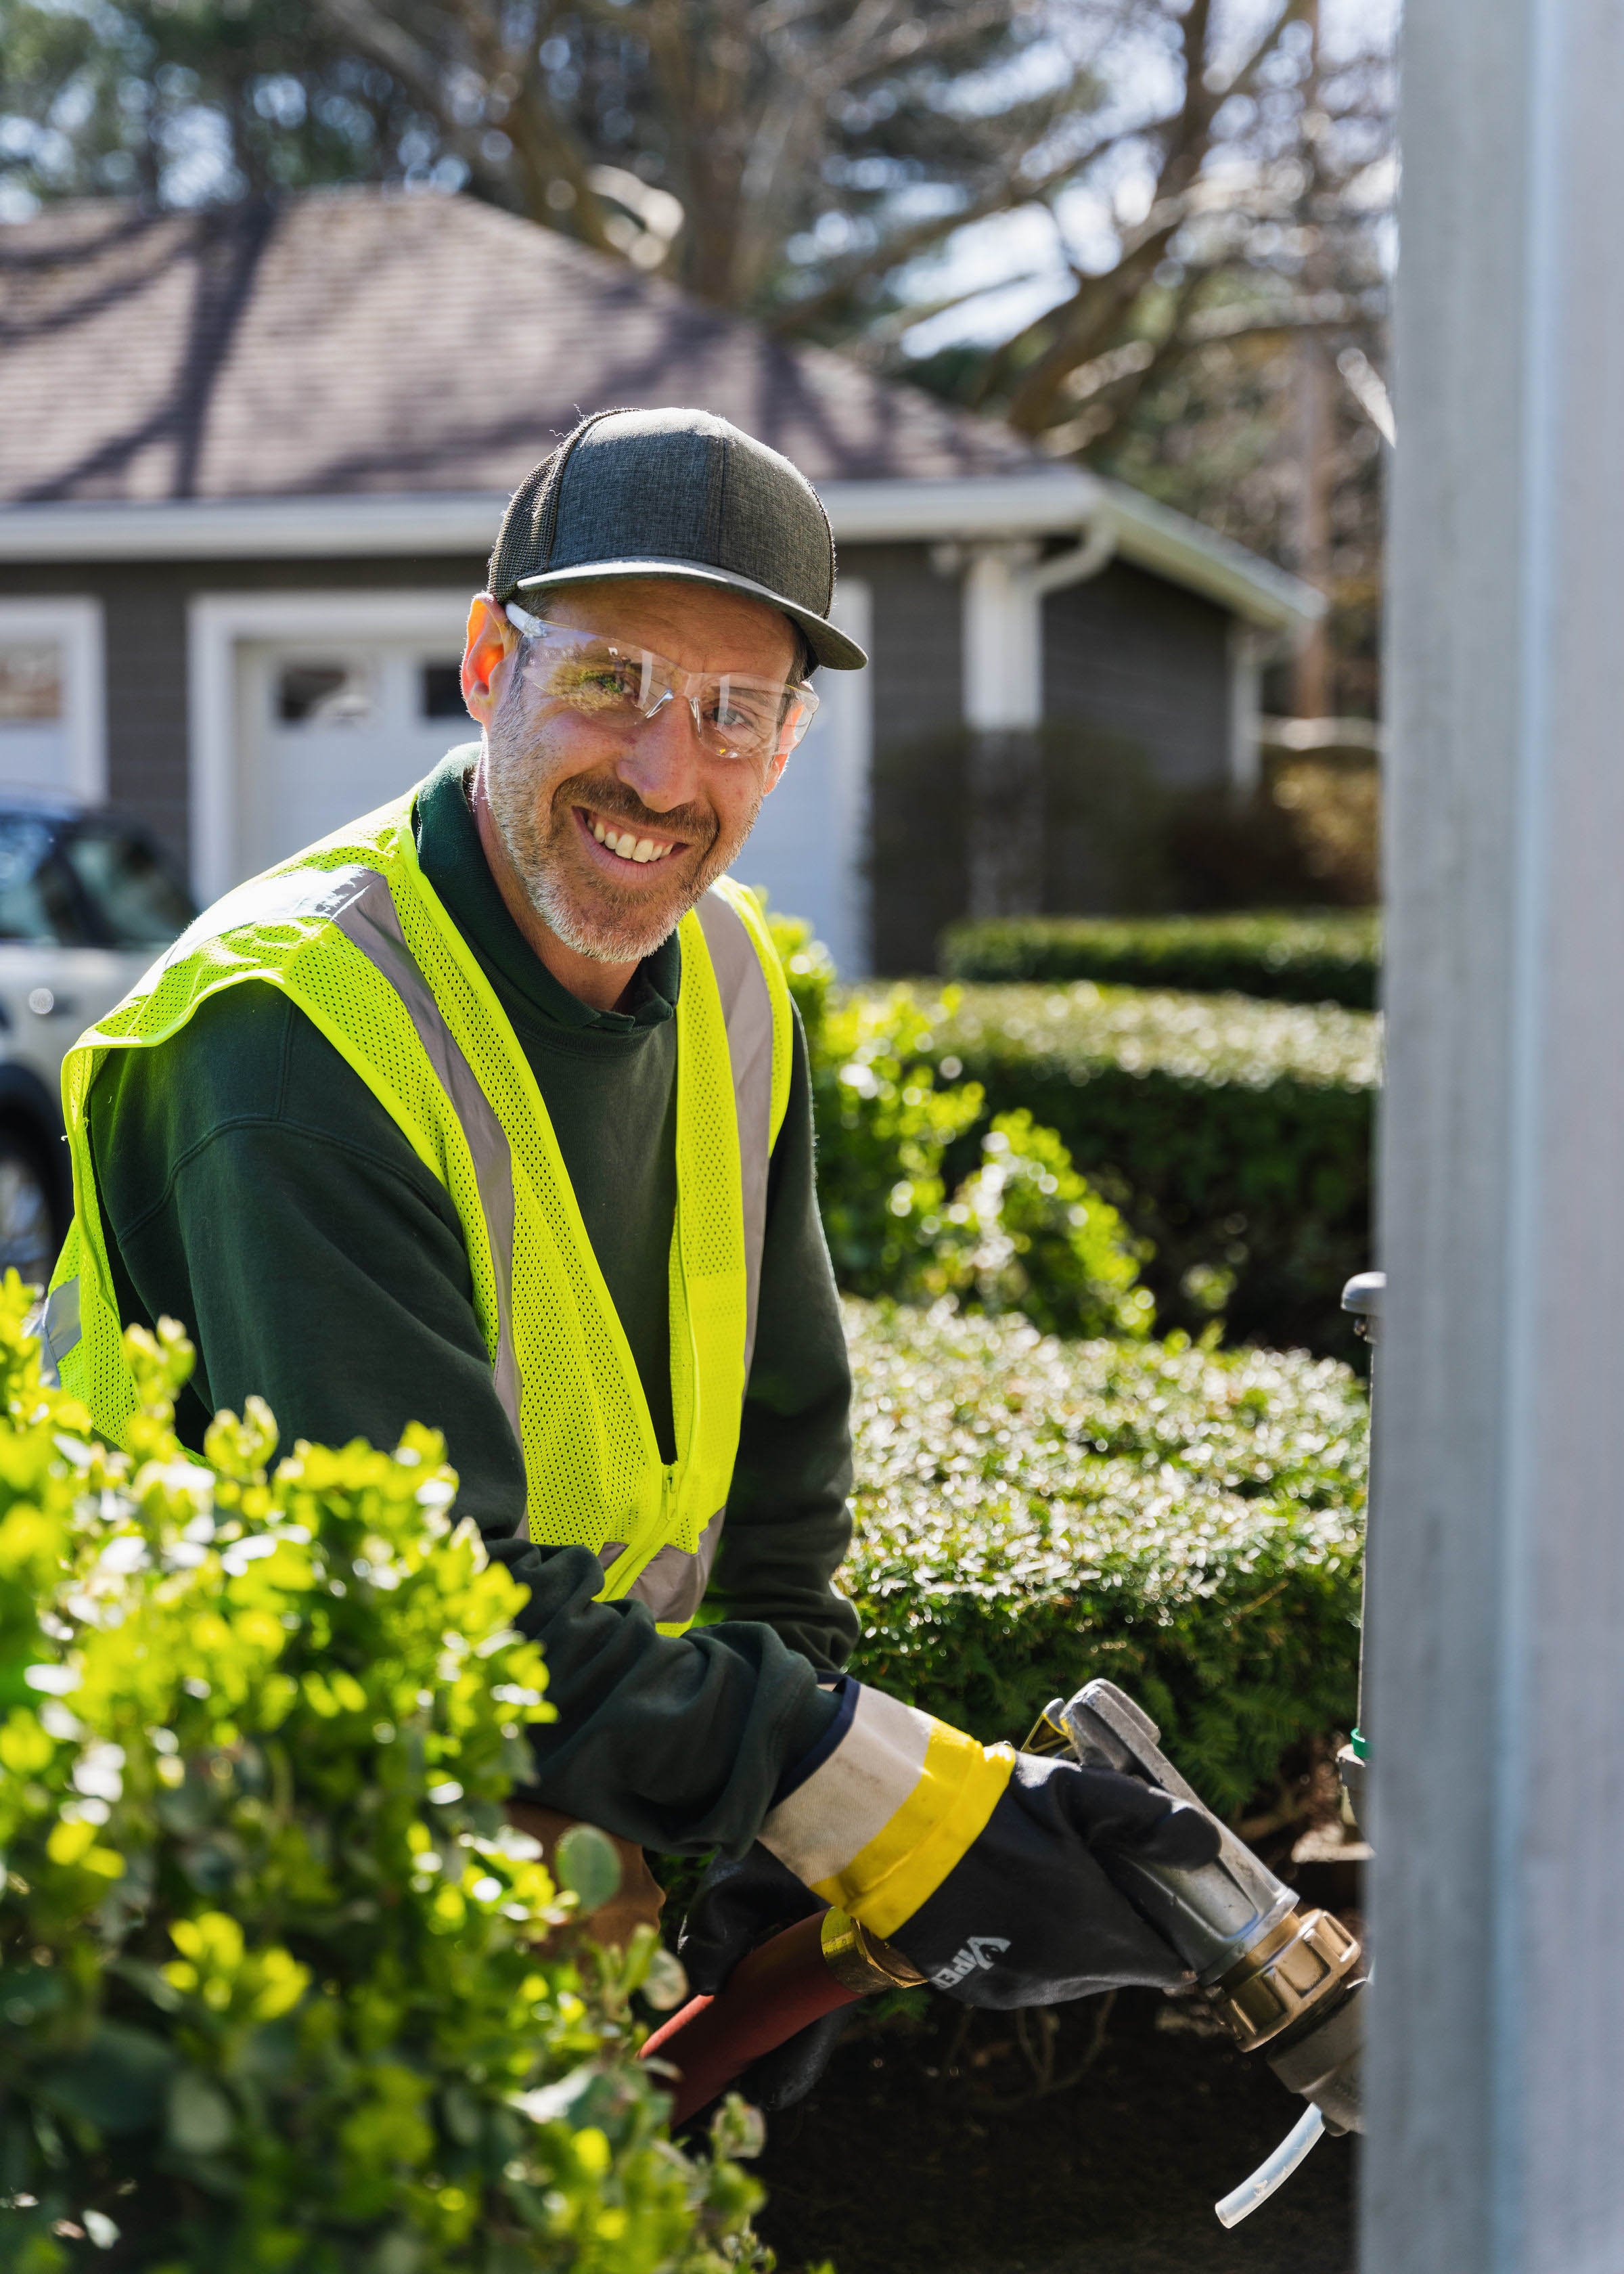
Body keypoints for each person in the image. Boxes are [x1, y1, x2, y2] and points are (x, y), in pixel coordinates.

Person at [39, 407, 1214, 2095]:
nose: (668, 773)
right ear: (483, 666)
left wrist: (757, 1835)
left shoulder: (731, 978)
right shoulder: (286, 1040)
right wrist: (864, 1791)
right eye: (610, 681)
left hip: (542, 1779)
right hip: (222, 1859)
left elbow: (783, 1456)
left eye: (736, 711)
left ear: (789, 742)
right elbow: (429, 1607)